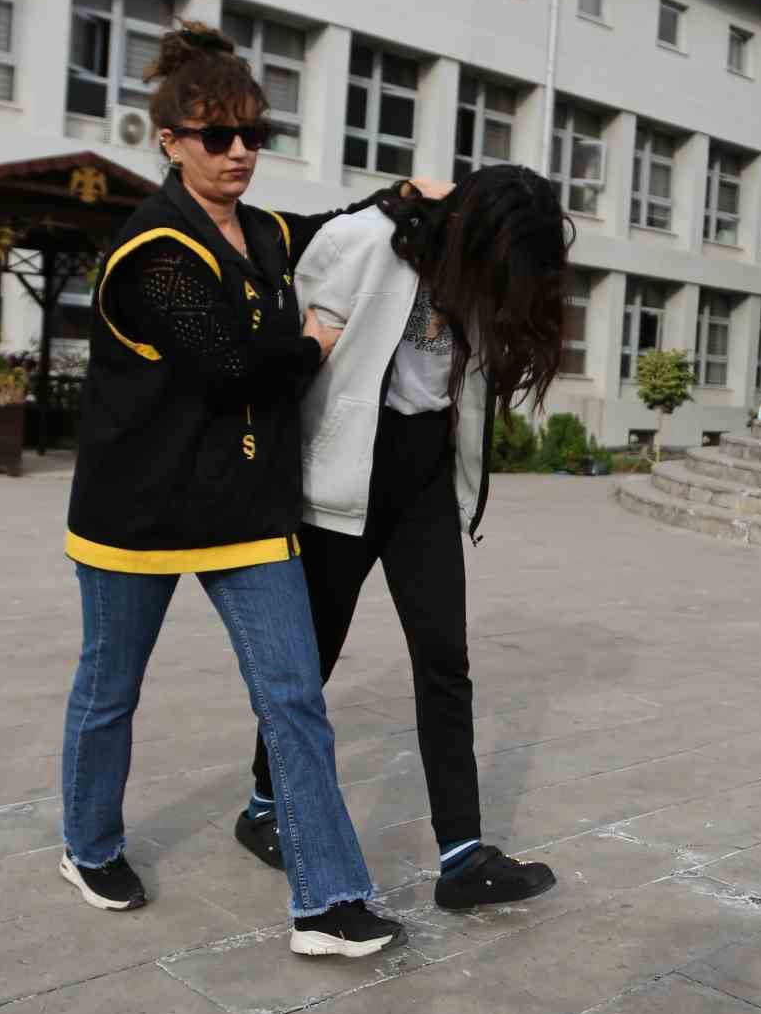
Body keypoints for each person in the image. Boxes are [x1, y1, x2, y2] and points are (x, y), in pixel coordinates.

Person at [59, 21, 406, 959]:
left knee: (293, 699)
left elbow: (328, 227)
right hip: (138, 512)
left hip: (245, 510)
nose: (240, 152)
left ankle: (327, 902)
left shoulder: (261, 230)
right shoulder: (152, 251)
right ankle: (89, 846)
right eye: (218, 136)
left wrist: (400, 200)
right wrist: (314, 344)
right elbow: (229, 368)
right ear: (170, 141)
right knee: (110, 691)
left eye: (254, 134)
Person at [237, 164, 571, 911]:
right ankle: (262, 806)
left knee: (444, 659)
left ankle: (462, 857)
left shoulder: (485, 270)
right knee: (311, 660)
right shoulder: (363, 241)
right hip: (344, 475)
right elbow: (296, 353)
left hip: (423, 476)